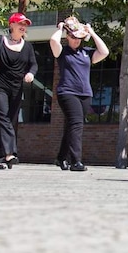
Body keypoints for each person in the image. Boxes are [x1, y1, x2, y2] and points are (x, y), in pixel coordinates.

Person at [49, 16, 109, 172]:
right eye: (73, 37)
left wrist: (92, 32)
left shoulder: (87, 53)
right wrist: (60, 28)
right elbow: (53, 42)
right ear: (68, 36)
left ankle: (61, 158)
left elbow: (104, 51)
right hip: (67, 92)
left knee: (72, 126)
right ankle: (76, 161)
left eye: (79, 37)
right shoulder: (63, 52)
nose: (76, 40)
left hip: (85, 94)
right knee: (76, 124)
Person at [0, 12, 38, 170]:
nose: (23, 27)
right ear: (11, 25)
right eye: (20, 23)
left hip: (16, 88)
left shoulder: (27, 46)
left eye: (25, 24)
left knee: (9, 122)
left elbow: (34, 65)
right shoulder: (1, 40)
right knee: (4, 119)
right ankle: (10, 153)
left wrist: (30, 73)